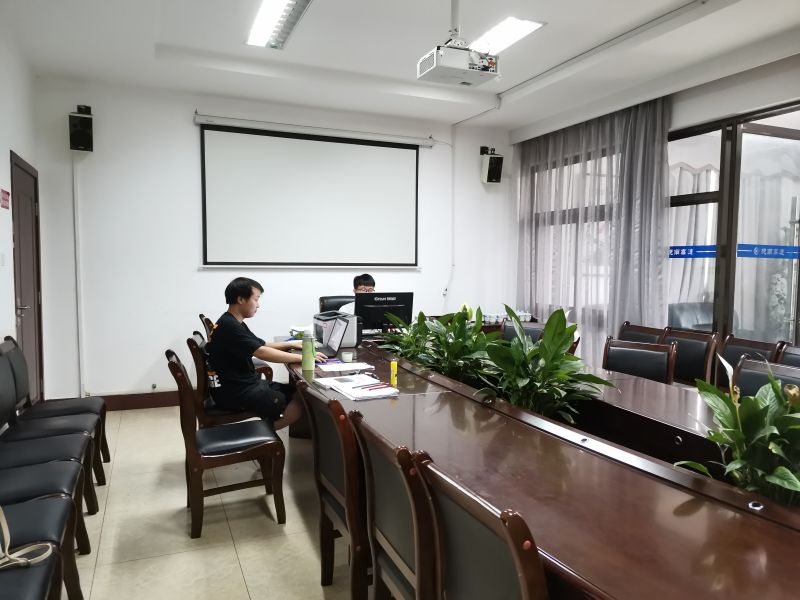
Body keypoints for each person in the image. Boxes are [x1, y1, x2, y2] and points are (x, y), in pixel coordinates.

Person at [206, 277, 326, 429]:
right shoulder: (230, 326)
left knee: (300, 392)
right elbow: (261, 352)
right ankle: (263, 436)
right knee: (303, 399)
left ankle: (266, 430)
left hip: (239, 385)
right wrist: (304, 358)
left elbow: (261, 344)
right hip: (236, 392)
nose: (258, 305)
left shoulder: (230, 321)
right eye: (256, 299)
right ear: (241, 299)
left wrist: (291, 344)